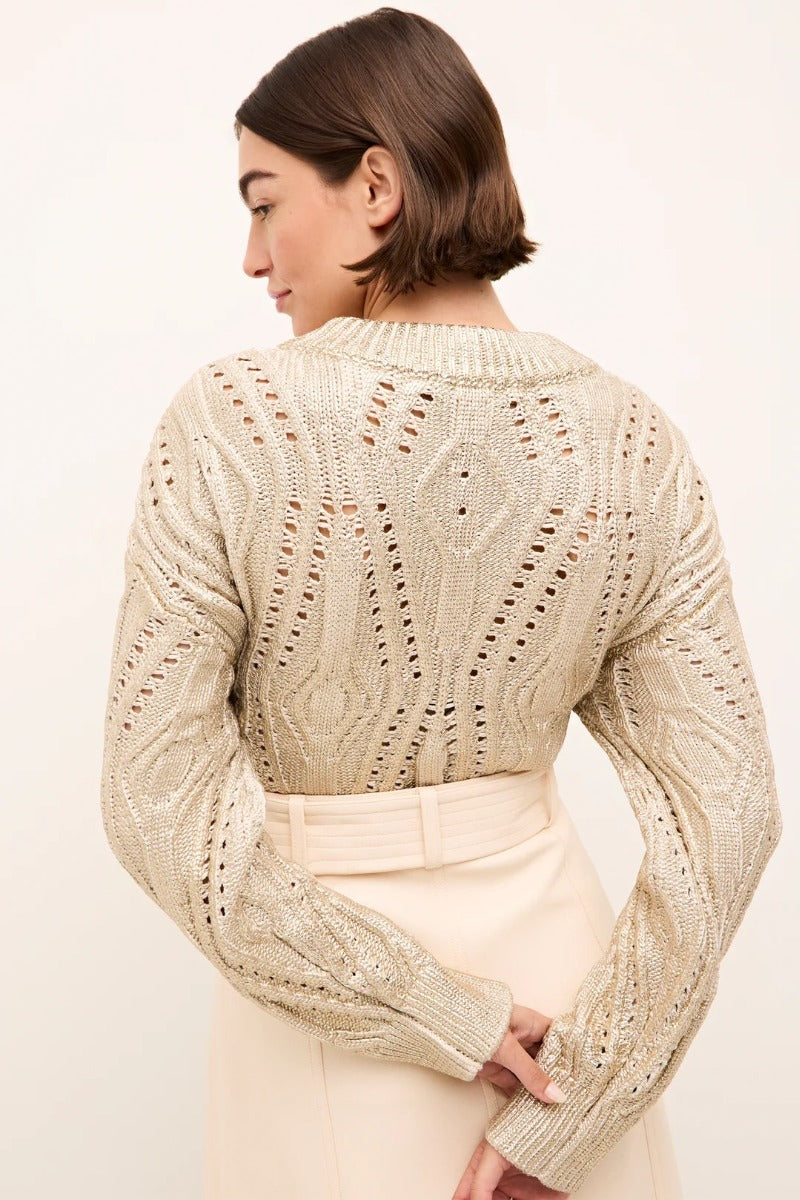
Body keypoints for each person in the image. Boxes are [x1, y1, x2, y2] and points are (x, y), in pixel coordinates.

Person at [99, 8, 782, 1200]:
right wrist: (582, 1103)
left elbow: (156, 802)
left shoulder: (232, 424)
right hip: (565, 1021)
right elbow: (726, 813)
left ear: (374, 186)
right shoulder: (629, 443)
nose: (252, 257)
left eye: (262, 202)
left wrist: (429, 1009)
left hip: (326, 1025)